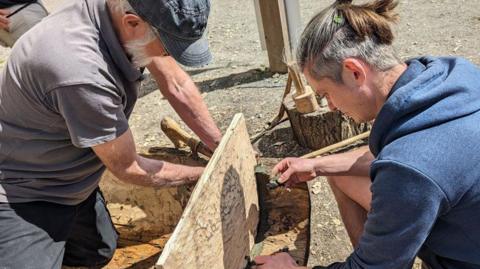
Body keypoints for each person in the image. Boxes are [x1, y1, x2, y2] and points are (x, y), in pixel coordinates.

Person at [254, 0, 480, 268]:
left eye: (326, 94)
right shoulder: (453, 73)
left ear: (354, 72)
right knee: (341, 175)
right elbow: (408, 157)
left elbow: (410, 167)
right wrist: (316, 165)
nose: (331, 106)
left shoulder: (410, 169)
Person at [0, 0, 222, 267]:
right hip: (23, 189)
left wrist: (221, 146)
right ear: (131, 23)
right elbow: (129, 167)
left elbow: (176, 84)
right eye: (168, 47)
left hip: (70, 176)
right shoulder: (80, 71)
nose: (168, 56)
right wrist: (206, 175)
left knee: (98, 252)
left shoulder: (122, 13)